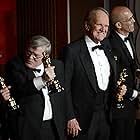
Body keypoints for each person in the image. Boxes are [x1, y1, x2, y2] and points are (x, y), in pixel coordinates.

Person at [63, 7, 126, 140]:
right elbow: (65, 87)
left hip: (106, 116)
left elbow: (111, 80)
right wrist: (70, 117)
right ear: (87, 25)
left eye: (107, 26)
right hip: (81, 119)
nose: (104, 29)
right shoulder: (72, 50)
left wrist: (119, 89)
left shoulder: (108, 49)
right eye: (99, 25)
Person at [0, 35, 65, 140]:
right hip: (29, 128)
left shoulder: (58, 65)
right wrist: (43, 79)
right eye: (28, 52)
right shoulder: (15, 65)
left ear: (45, 56)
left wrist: (70, 118)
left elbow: (64, 95)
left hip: (54, 126)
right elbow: (22, 88)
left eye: (36, 56)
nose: (30, 57)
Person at [108, 6, 139, 140]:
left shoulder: (129, 37)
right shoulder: (111, 44)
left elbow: (127, 66)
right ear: (119, 25)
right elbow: (113, 76)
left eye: (133, 17)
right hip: (119, 102)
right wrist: (133, 93)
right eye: (129, 19)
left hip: (130, 103)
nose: (134, 21)